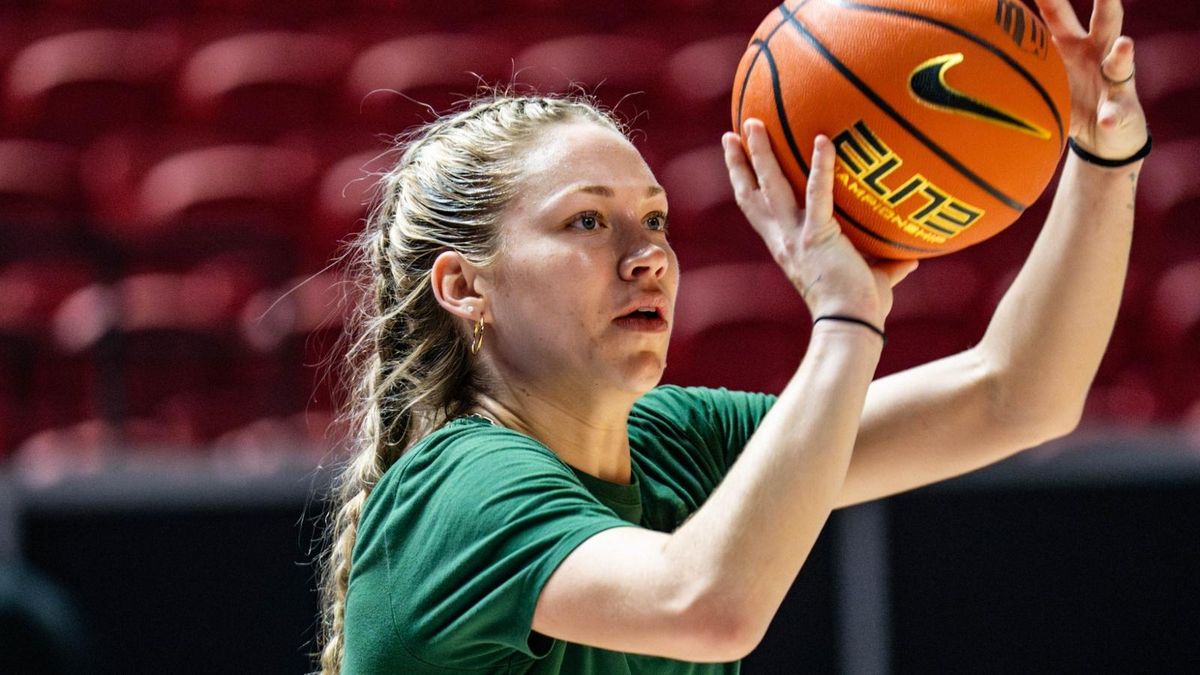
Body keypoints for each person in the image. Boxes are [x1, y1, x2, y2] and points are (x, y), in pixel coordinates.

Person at [314, 0, 1149, 672]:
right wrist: (848, 319)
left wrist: (1104, 152)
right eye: (588, 220)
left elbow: (1013, 397)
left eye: (654, 219)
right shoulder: (461, 488)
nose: (647, 256)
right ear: (466, 286)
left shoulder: (677, 442)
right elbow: (705, 606)